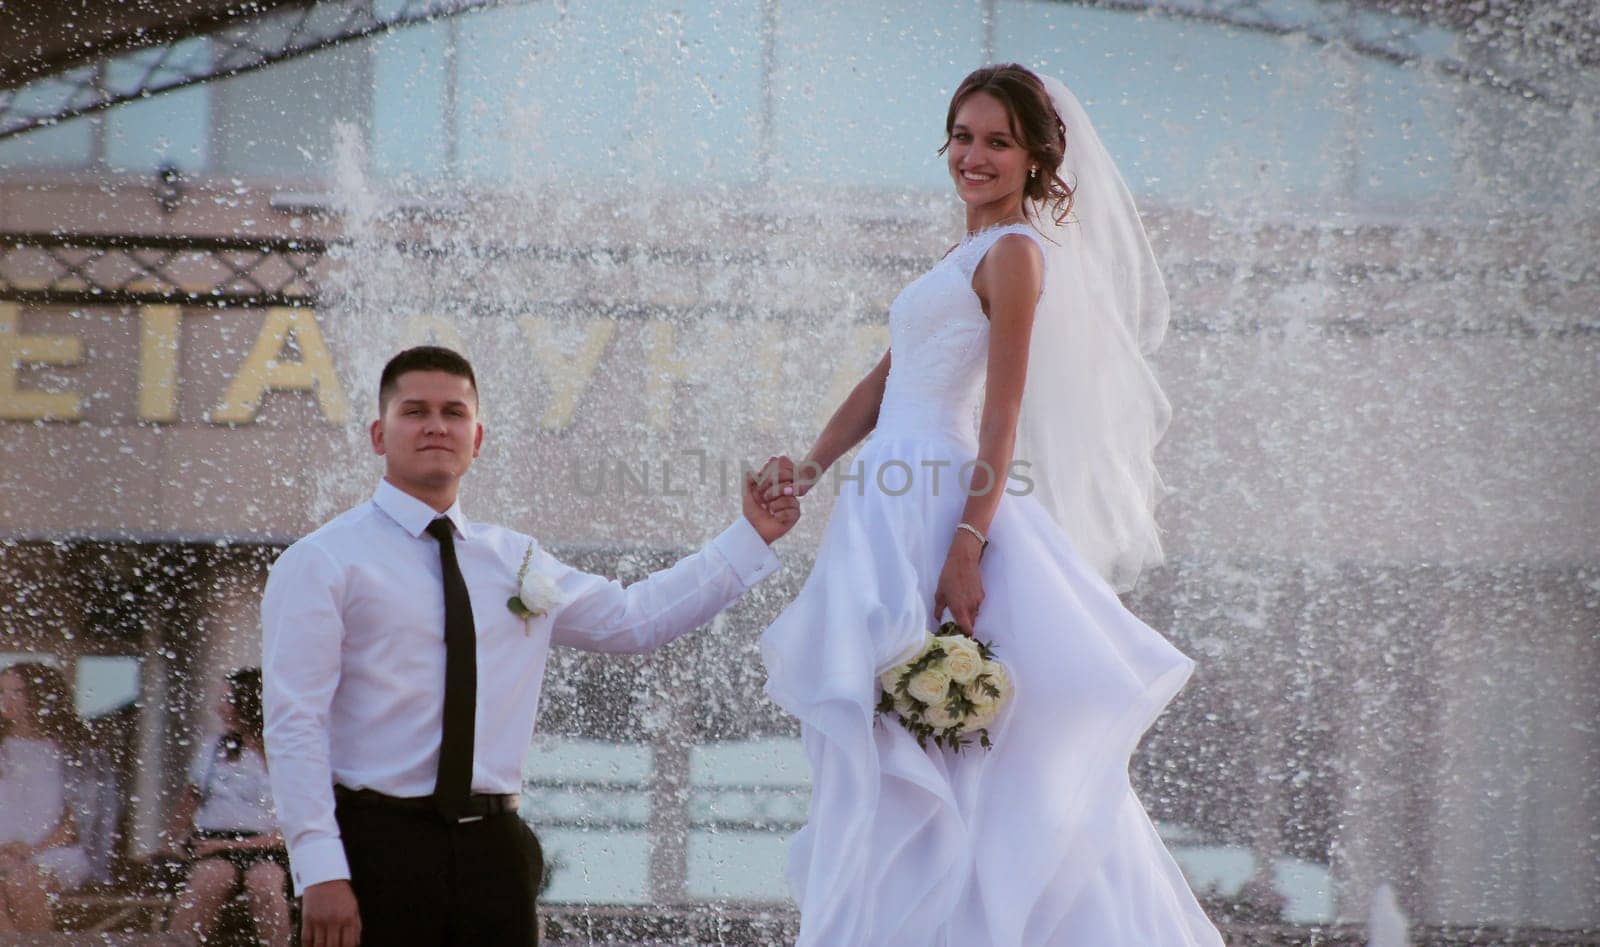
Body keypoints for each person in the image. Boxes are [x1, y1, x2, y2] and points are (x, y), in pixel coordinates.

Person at [757, 65, 1225, 945]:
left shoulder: (1015, 254)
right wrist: (811, 467)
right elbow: (888, 376)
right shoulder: (960, 255)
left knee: (946, 744)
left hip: (937, 501)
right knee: (885, 729)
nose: (974, 156)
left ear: (1036, 158)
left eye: (997, 142)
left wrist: (967, 543)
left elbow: (1001, 414)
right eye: (963, 137)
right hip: (886, 501)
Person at [262, 345, 799, 947]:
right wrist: (320, 870)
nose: (436, 425)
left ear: (478, 436)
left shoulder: (514, 558)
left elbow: (632, 619)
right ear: (378, 435)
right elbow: (294, 722)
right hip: (373, 844)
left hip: (496, 847)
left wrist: (750, 536)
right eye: (414, 411)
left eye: (453, 412)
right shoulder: (321, 561)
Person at [164, 667, 292, 946]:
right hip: (213, 841)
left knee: (265, 884)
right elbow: (190, 800)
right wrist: (171, 842)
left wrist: (229, 847)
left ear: (250, 703)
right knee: (209, 880)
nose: (219, 708)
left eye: (227, 700)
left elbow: (292, 827)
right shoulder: (214, 748)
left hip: (269, 846)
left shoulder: (286, 751)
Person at [0, 661, 91, 933]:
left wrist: (32, 851)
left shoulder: (68, 751)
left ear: (39, 696)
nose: (6, 699)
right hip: (3, 853)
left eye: (16, 691)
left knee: (22, 883)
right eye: (2, 691)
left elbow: (76, 821)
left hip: (54, 853)